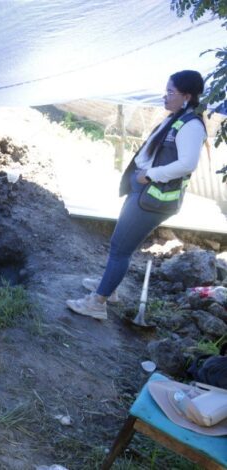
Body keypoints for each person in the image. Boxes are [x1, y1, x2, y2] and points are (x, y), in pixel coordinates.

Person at [66, 70, 207, 320]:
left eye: (170, 92)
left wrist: (150, 174)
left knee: (120, 247)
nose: (165, 97)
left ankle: (97, 303)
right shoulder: (179, 117)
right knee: (122, 245)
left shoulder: (192, 125)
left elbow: (187, 164)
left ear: (186, 96)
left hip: (152, 196)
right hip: (144, 191)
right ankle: (110, 288)